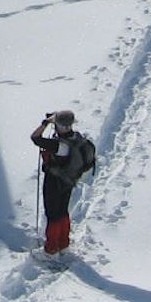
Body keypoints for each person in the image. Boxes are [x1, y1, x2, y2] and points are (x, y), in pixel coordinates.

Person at [31, 109, 95, 255]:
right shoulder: (76, 139)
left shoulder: (58, 145)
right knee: (62, 211)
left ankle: (51, 249)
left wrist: (45, 123)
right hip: (69, 180)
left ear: (58, 125)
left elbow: (35, 138)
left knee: (53, 214)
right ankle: (63, 243)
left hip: (55, 180)